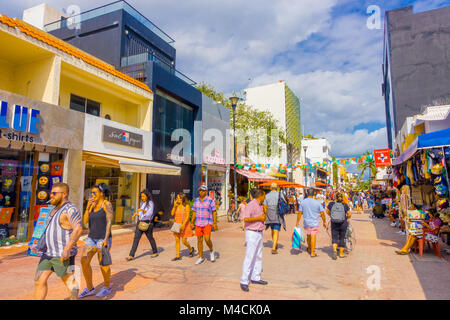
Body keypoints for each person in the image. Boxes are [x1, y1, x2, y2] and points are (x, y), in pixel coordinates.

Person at [34, 182, 82, 300]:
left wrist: (67, 249)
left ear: (64, 194)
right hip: (48, 253)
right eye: (51, 193)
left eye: (54, 193)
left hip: (62, 254)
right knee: (39, 281)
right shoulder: (54, 209)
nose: (51, 195)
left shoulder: (71, 209)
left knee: (70, 283)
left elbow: (78, 229)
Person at [78, 183, 114, 298]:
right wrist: (88, 207)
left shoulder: (106, 204)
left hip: (102, 238)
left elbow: (109, 222)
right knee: (84, 261)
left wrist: (106, 238)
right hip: (91, 238)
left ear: (101, 194)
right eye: (91, 193)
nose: (92, 195)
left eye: (94, 193)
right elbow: (85, 222)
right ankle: (90, 288)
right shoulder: (92, 205)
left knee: (103, 264)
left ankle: (107, 287)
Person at [240, 189, 267, 292]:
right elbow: (246, 219)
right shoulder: (251, 205)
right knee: (250, 256)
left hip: (259, 232)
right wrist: (259, 218)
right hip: (252, 232)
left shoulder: (260, 205)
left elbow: (263, 217)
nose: (265, 198)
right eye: (264, 196)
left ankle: (256, 276)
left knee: (258, 256)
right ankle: (244, 280)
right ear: (260, 195)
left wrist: (263, 214)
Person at [126, 189, 158, 261]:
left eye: (143, 196)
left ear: (147, 196)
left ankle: (155, 251)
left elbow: (149, 213)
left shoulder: (150, 203)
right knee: (136, 239)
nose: (142, 198)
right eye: (141, 196)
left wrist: (143, 211)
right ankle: (131, 255)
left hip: (148, 223)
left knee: (150, 238)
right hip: (140, 223)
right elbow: (141, 214)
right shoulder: (142, 203)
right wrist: (135, 214)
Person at [191, 185, 218, 265]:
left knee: (207, 239)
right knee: (199, 240)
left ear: (206, 192)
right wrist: (192, 222)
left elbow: (214, 212)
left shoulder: (210, 200)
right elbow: (194, 211)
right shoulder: (196, 200)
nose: (201, 192)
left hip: (207, 223)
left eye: (202, 191)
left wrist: (215, 223)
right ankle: (201, 257)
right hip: (198, 223)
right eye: (200, 190)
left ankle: (211, 250)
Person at [297, 188, 326, 257]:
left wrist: (297, 222)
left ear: (307, 193)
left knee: (308, 235)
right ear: (314, 194)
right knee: (313, 235)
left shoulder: (303, 202)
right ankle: (312, 252)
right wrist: (324, 221)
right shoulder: (317, 202)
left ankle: (309, 248)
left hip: (306, 222)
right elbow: (322, 213)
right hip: (314, 222)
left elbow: (299, 213)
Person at [326, 192, 351, 259]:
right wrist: (347, 219)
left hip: (334, 223)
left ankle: (334, 251)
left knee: (334, 237)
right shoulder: (345, 205)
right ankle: (341, 254)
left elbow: (327, 212)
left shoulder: (331, 204)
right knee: (342, 238)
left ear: (335, 197)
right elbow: (349, 214)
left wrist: (332, 216)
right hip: (343, 223)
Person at [170, 193, 195, 261]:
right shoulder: (177, 206)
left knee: (184, 241)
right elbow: (172, 213)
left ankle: (190, 249)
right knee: (177, 240)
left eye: (178, 198)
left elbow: (187, 217)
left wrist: (183, 225)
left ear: (181, 199)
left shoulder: (186, 206)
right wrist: (174, 206)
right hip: (177, 225)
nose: (176, 199)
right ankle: (178, 256)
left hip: (184, 225)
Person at [263, 183, 286, 254]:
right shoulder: (280, 194)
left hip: (269, 214)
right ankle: (274, 247)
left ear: (270, 188)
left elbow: (265, 207)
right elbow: (284, 204)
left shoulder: (266, 196)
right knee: (276, 230)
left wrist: (265, 215)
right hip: (278, 213)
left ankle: (274, 244)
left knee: (272, 230)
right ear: (276, 188)